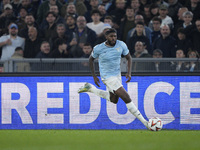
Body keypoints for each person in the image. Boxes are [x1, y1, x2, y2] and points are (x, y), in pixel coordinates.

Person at [77, 28, 148, 129]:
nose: (113, 38)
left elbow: (129, 57)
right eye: (111, 36)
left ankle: (90, 89)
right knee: (126, 97)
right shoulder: (99, 48)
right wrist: (94, 76)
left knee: (114, 99)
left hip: (117, 76)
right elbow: (91, 59)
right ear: (106, 37)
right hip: (107, 77)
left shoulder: (121, 44)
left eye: (115, 36)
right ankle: (146, 123)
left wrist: (129, 72)